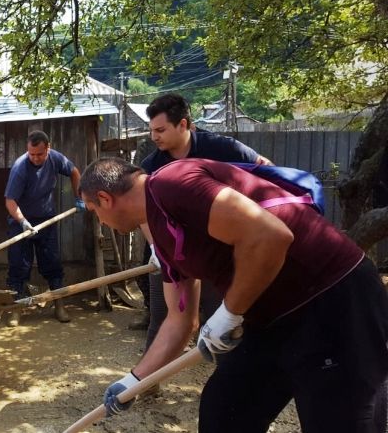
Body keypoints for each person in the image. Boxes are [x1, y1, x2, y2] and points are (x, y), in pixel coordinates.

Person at [79, 157, 388, 433]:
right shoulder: (160, 235)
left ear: (105, 199)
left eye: (95, 213)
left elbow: (271, 235)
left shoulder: (173, 183)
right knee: (225, 411)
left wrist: (228, 313)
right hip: (270, 319)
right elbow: (180, 319)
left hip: (333, 300)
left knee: (339, 421)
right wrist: (134, 381)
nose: (101, 224)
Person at [130, 93, 272, 352]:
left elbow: (265, 171)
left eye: (160, 130)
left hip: (219, 251)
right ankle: (146, 385)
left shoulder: (222, 148)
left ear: (183, 124)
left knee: (222, 320)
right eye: (151, 130)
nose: (154, 137)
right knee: (161, 316)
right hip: (171, 251)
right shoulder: (152, 165)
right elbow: (145, 213)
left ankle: (228, 383)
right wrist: (156, 248)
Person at [4, 130, 84, 325]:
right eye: (32, 154)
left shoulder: (56, 159)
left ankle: (59, 305)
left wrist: (79, 197)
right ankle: (16, 309)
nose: (36, 158)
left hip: (46, 221)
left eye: (40, 154)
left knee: (52, 263)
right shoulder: (20, 168)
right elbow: (10, 201)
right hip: (20, 223)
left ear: (48, 149)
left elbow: (74, 172)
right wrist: (23, 222)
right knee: (18, 266)